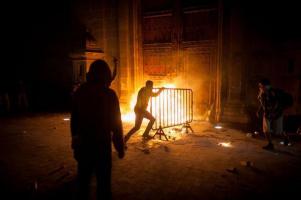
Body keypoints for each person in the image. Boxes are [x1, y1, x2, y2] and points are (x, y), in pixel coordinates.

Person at [71, 59, 125, 200]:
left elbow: (74, 121)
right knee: (103, 183)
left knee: (83, 181)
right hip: (102, 145)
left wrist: (75, 144)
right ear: (105, 76)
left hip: (84, 144)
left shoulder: (80, 92)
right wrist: (119, 147)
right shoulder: (109, 95)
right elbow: (116, 124)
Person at [257, 78, 285, 150]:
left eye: (261, 85)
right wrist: (259, 110)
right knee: (266, 130)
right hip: (270, 113)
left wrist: (271, 112)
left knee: (278, 132)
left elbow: (275, 103)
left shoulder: (271, 93)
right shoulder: (262, 93)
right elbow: (262, 103)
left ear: (266, 86)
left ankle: (286, 139)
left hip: (275, 113)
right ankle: (270, 144)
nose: (260, 87)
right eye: (259, 86)